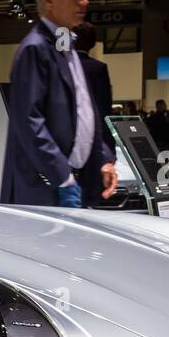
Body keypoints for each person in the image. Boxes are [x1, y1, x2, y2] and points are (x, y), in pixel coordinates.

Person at [0, 0, 116, 207]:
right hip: (49, 188)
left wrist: (103, 158)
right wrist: (62, 177)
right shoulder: (35, 49)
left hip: (75, 182)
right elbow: (28, 121)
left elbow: (85, 112)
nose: (84, 1)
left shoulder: (66, 45)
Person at [70, 21, 117, 209]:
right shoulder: (98, 68)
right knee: (90, 198)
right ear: (93, 44)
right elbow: (104, 111)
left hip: (66, 142)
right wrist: (109, 153)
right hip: (91, 142)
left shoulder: (64, 67)